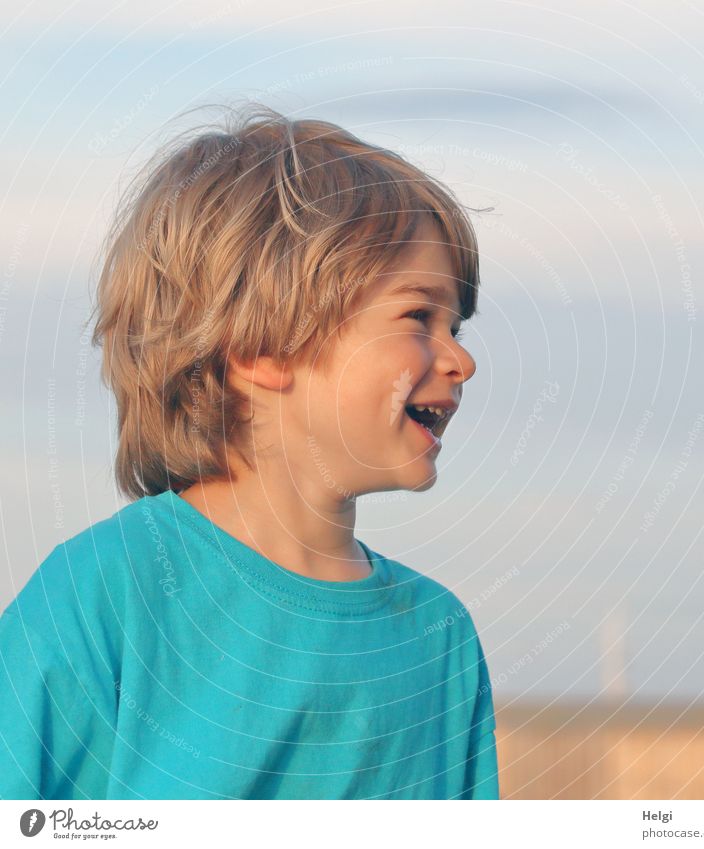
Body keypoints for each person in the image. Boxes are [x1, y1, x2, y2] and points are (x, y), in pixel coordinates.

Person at [0, 103, 499, 800]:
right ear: (263, 348)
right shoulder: (105, 595)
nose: (460, 361)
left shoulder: (437, 636)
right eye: (419, 316)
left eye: (458, 325)